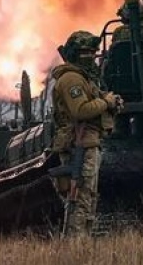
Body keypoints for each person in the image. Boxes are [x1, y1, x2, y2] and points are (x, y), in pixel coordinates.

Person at [48, 31, 122, 236]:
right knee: (79, 198)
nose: (90, 56)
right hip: (78, 145)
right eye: (85, 52)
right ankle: (76, 243)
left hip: (88, 143)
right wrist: (106, 102)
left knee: (87, 197)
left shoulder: (84, 79)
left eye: (92, 52)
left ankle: (82, 244)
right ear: (74, 54)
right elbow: (80, 110)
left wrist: (112, 103)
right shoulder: (71, 79)